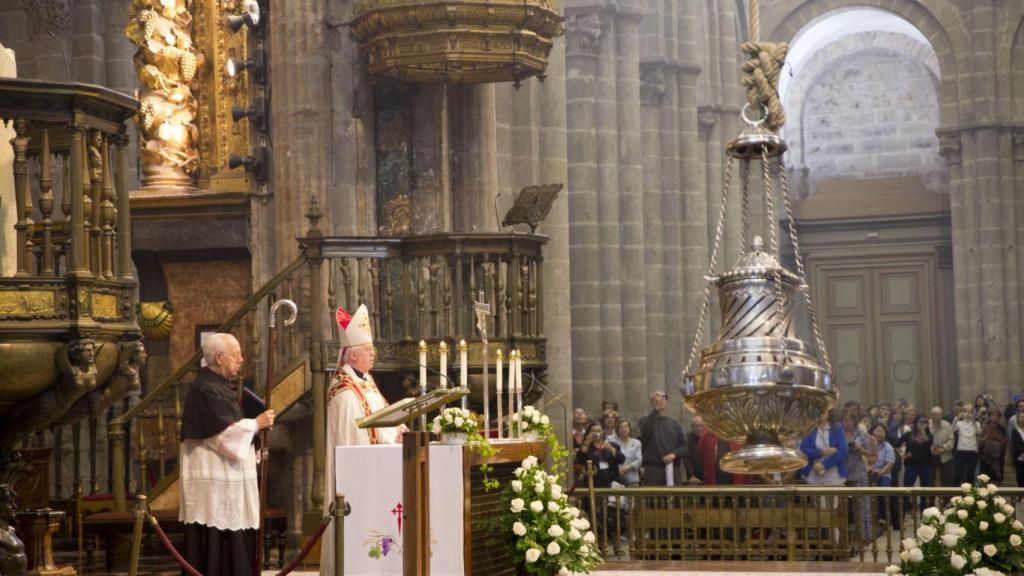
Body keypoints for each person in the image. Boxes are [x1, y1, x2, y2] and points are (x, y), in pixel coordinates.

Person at [179, 333, 275, 576]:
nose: (241, 359)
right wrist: (256, 424)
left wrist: (255, 426)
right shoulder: (205, 388)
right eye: (236, 354)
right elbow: (222, 436)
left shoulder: (218, 386)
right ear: (219, 358)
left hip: (228, 482)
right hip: (216, 490)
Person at [321, 304, 402, 575]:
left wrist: (397, 430)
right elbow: (354, 435)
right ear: (353, 354)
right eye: (369, 350)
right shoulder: (344, 391)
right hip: (358, 476)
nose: (374, 354)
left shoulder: (366, 380)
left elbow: (379, 417)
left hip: (377, 469)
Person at [638, 391, 687, 486]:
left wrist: (674, 454)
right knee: (653, 499)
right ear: (651, 403)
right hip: (654, 469)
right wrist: (656, 410)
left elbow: (684, 445)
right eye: (655, 400)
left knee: (675, 499)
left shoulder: (675, 423)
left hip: (673, 468)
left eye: (662, 399)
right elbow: (646, 430)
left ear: (666, 401)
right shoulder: (644, 420)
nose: (659, 402)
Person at [799, 409, 847, 486]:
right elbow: (803, 449)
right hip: (813, 471)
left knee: (833, 497)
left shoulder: (837, 427)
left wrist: (824, 464)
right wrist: (821, 451)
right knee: (814, 497)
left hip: (834, 473)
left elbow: (843, 451)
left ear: (829, 411)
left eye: (824, 410)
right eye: (819, 409)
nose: (821, 412)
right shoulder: (809, 428)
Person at [953, 404, 981, 485]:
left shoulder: (977, 423)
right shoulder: (959, 423)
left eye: (970, 412)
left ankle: (969, 496)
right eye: (966, 411)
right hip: (961, 451)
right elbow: (952, 430)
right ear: (963, 412)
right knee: (958, 475)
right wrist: (956, 418)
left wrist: (974, 421)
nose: (968, 414)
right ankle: (956, 495)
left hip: (972, 451)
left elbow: (979, 432)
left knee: (970, 475)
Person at [928, 406, 955, 486]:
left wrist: (942, 449)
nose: (938, 416)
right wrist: (930, 449)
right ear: (932, 415)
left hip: (945, 455)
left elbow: (951, 441)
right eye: (935, 414)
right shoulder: (927, 425)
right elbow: (923, 441)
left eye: (940, 414)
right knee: (930, 478)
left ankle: (946, 498)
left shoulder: (947, 425)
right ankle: (931, 498)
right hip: (930, 455)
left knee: (947, 479)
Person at [980, 409, 1008, 482]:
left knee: (996, 479)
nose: (994, 417)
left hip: (998, 457)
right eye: (992, 415)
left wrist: (996, 441)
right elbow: (980, 440)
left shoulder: (1002, 429)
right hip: (986, 457)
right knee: (985, 479)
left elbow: (1005, 441)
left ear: (999, 418)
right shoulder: (984, 427)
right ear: (989, 417)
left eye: (996, 416)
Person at [612, 419, 642, 486]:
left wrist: (627, 468)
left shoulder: (637, 442)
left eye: (626, 426)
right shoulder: (612, 443)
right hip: (617, 478)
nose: (624, 429)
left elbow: (639, 460)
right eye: (621, 427)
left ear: (629, 429)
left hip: (632, 478)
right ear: (617, 430)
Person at [683, 415, 706, 483]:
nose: (699, 428)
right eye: (696, 426)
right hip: (694, 477)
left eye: (701, 425)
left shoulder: (710, 438)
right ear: (692, 427)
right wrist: (691, 475)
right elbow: (687, 459)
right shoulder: (687, 438)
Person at [1009, 399, 1024, 487]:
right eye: (1020, 406)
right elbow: (1013, 441)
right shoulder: (1013, 421)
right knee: (1020, 475)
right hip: (1019, 455)